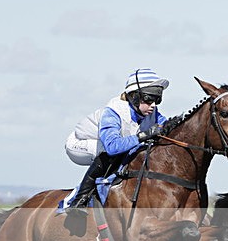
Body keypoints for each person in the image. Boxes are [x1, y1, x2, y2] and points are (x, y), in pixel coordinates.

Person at [64, 68, 170, 215]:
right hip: (79, 145)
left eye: (157, 99)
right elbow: (112, 147)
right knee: (111, 153)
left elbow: (168, 127)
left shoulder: (152, 113)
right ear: (134, 97)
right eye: (149, 99)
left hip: (108, 144)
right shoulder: (113, 112)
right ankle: (79, 201)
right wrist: (143, 135)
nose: (153, 105)